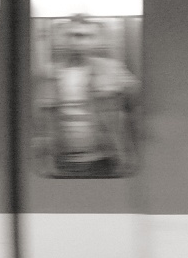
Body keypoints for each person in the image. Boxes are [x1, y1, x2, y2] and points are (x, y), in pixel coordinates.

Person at [34, 14, 139, 176]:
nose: (77, 42)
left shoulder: (112, 70)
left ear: (95, 40)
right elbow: (44, 121)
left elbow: (135, 105)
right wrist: (45, 160)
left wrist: (128, 155)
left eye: (85, 36)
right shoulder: (50, 74)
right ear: (62, 39)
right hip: (62, 161)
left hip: (104, 158)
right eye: (71, 35)